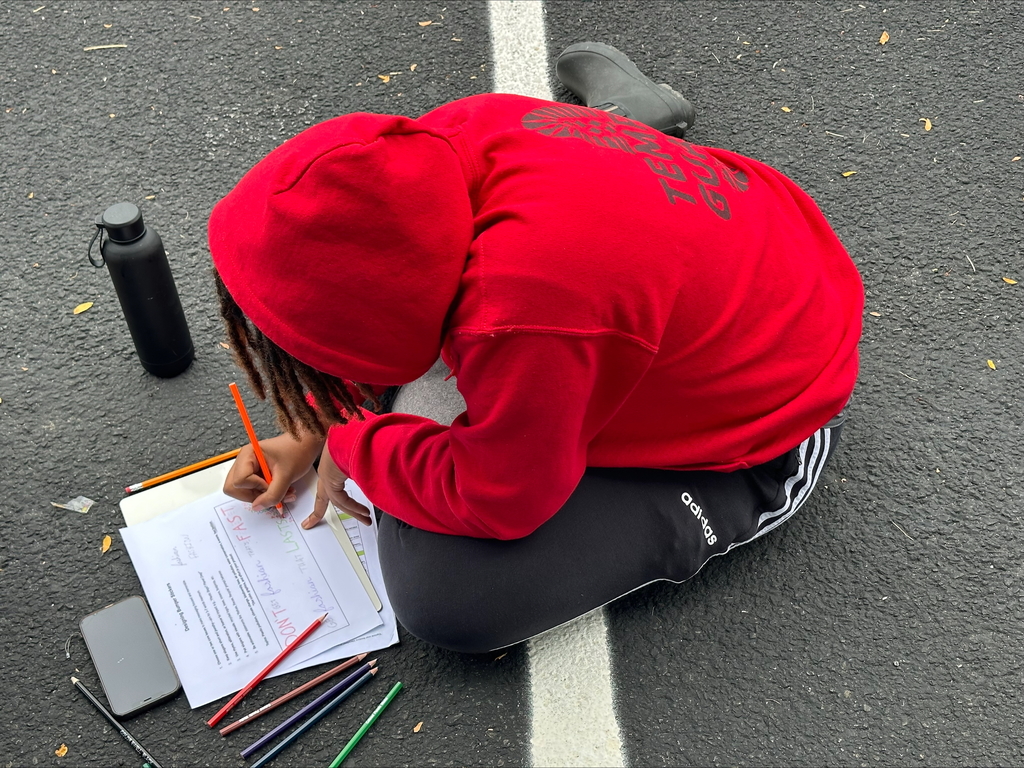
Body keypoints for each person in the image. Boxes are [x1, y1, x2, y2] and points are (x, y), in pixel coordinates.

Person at [210, 43, 863, 653]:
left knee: (447, 593)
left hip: (780, 395)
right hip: (690, 224)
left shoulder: (522, 315)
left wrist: (351, 440)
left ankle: (732, 494)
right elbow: (368, 294)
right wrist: (310, 426)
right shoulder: (446, 138)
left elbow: (501, 495)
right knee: (442, 406)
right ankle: (633, 122)